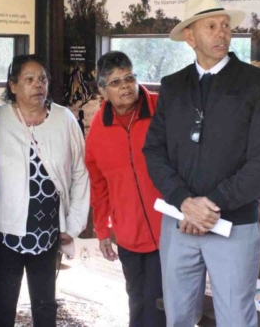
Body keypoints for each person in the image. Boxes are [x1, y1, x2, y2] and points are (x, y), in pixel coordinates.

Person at [143, 0, 260, 327]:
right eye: (211, 26)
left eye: (225, 26)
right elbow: (154, 151)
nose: (222, 33)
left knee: (235, 318)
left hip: (233, 225)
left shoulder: (256, 83)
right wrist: (183, 201)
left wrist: (210, 205)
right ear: (190, 36)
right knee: (177, 315)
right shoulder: (173, 86)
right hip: (179, 223)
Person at [0, 55, 90, 327]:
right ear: (13, 86)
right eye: (29, 80)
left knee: (45, 305)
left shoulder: (64, 119)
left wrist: (74, 222)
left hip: (47, 232)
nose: (38, 85)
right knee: (2, 304)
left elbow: (80, 173)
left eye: (42, 79)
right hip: (6, 233)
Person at [85, 51, 166, 327]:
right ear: (102, 90)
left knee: (159, 305)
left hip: (168, 232)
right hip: (128, 234)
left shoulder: (160, 110)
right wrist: (103, 230)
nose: (126, 86)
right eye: (116, 82)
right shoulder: (98, 127)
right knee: (136, 300)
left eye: (129, 77)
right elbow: (98, 185)